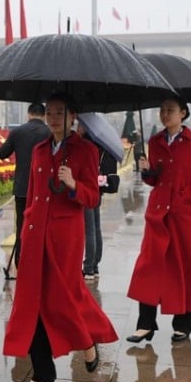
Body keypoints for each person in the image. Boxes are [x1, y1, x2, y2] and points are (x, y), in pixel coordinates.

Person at [2, 94, 118, 382]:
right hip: (35, 233)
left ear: (73, 116)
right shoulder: (40, 149)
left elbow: (92, 196)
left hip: (65, 238)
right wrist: (24, 231)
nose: (54, 118)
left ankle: (87, 341)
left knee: (65, 297)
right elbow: (32, 194)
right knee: (33, 300)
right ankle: (43, 372)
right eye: (50, 113)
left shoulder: (86, 150)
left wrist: (73, 185)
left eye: (60, 113)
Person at [126, 98, 191, 343]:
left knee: (185, 266)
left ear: (183, 113)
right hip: (158, 213)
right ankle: (145, 323)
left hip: (184, 216)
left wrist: (184, 197)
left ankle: (183, 324)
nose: (165, 114)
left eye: (170, 110)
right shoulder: (155, 141)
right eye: (162, 110)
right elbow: (154, 180)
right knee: (149, 265)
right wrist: (146, 171)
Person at [0, 103, 50, 276]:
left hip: (22, 188)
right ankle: (41, 262)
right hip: (43, 189)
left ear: (29, 114)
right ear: (44, 115)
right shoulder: (49, 133)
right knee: (43, 225)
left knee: (22, 226)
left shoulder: (18, 132)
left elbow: (1, 153)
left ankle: (21, 261)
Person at [75, 116, 119, 281]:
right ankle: (95, 265)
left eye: (80, 126)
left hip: (87, 189)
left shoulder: (86, 145)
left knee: (90, 229)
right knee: (96, 227)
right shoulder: (104, 144)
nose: (77, 129)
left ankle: (88, 268)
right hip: (98, 189)